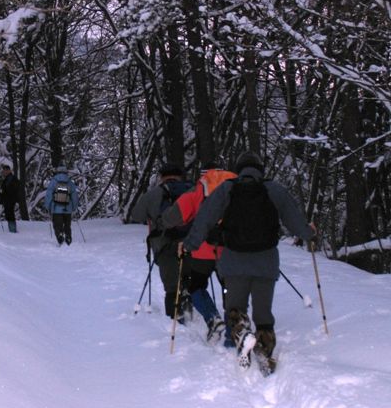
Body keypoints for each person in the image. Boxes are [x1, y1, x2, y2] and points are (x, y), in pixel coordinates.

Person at [179, 151, 315, 371]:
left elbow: (205, 218)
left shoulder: (227, 189)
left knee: (235, 308)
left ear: (239, 169)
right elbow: (295, 221)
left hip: (233, 261)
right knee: (263, 314)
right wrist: (309, 233)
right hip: (266, 261)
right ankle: (265, 352)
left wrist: (190, 244)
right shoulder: (274, 190)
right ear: (260, 170)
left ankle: (241, 332)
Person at [162, 162, 236, 343]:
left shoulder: (196, 192)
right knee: (230, 288)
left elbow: (170, 219)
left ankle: (213, 319)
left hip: (201, 250)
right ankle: (233, 328)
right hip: (228, 248)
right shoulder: (235, 189)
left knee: (196, 286)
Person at [130, 163, 193, 321]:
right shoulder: (192, 190)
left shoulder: (154, 194)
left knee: (171, 285)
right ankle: (188, 308)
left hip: (164, 244)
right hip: (190, 242)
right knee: (189, 278)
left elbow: (136, 215)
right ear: (180, 175)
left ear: (161, 176)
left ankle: (175, 320)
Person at [45, 166, 79, 245]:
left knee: (57, 225)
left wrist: (48, 207)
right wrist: (73, 207)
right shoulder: (70, 182)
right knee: (67, 225)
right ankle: (68, 238)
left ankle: (60, 236)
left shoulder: (53, 181)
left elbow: (48, 195)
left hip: (56, 209)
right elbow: (74, 196)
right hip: (68, 209)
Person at [0, 164, 20, 233]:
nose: (4, 172)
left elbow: (15, 190)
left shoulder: (12, 179)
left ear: (9, 171)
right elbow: (2, 191)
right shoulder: (6, 179)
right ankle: (11, 229)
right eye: (3, 170)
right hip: (7, 200)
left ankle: (13, 230)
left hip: (11, 200)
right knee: (8, 214)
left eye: (6, 170)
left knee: (10, 214)